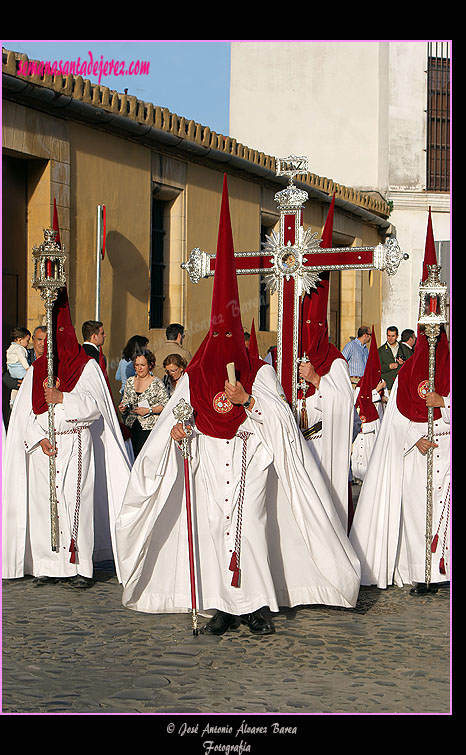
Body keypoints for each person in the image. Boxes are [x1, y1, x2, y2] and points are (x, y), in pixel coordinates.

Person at [115, 175, 360, 637]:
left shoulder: (259, 372)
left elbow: (283, 426)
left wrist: (249, 402)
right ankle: (222, 606)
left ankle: (257, 605)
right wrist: (177, 435)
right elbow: (176, 421)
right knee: (213, 531)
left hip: (250, 459)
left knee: (250, 527)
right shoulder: (196, 375)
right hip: (210, 462)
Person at [2, 289, 132, 588]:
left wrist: (62, 398)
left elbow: (94, 408)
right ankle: (48, 564)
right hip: (44, 447)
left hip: (74, 441)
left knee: (75, 503)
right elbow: (26, 413)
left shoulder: (84, 368)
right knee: (45, 504)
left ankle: (79, 566)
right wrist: (38, 437)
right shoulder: (37, 368)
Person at [349, 327, 450, 594]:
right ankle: (423, 574)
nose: (431, 344)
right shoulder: (406, 373)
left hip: (448, 449)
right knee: (418, 514)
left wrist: (444, 402)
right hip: (418, 453)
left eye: (436, 339)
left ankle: (445, 571)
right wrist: (415, 439)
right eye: (426, 338)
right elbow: (395, 420)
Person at [297, 288, 355, 535]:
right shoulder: (282, 354)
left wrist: (317, 379)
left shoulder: (334, 359)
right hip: (294, 444)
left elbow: (344, 403)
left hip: (322, 446)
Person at [350, 326, 386, 483]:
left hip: (377, 424)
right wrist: (375, 392)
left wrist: (383, 396)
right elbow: (358, 400)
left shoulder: (381, 383)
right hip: (366, 423)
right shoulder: (361, 387)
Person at [119, 349, 169, 458]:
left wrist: (149, 410)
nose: (139, 368)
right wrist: (123, 407)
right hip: (131, 427)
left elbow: (165, 405)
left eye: (142, 365)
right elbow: (126, 400)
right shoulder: (130, 381)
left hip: (148, 429)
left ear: (150, 365)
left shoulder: (157, 383)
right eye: (136, 365)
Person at [6, 327, 31, 407]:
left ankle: (12, 401)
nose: (28, 343)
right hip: (19, 368)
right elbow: (22, 359)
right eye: (27, 341)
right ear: (19, 340)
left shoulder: (11, 348)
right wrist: (28, 369)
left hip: (12, 369)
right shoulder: (19, 348)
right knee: (28, 379)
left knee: (15, 387)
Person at [378, 326, 406, 391]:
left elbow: (411, 365)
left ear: (397, 336)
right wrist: (388, 367)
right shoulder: (380, 350)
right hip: (386, 387)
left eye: (393, 336)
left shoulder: (404, 349)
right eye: (388, 336)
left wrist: (403, 363)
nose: (390, 338)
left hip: (401, 386)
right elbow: (376, 368)